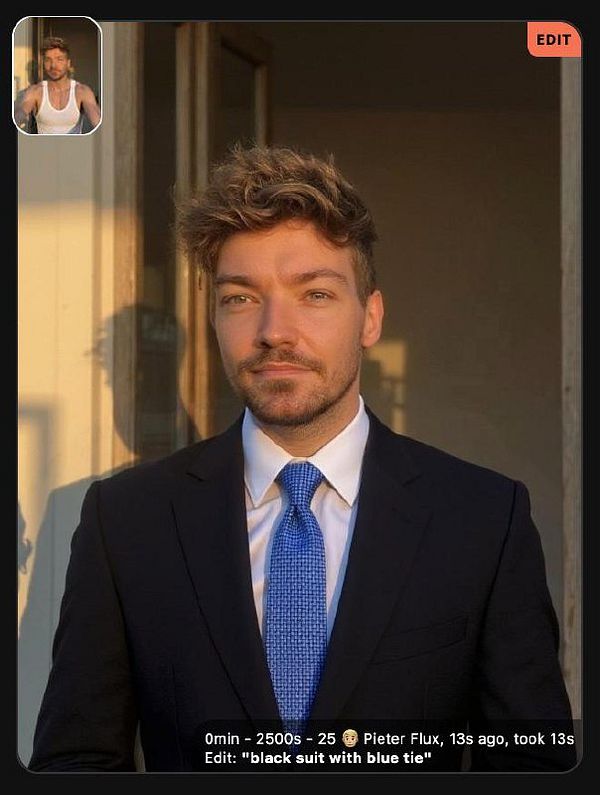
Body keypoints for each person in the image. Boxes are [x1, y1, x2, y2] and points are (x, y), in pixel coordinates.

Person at [28, 145, 575, 772]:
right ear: (214, 318)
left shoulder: (483, 519)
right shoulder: (126, 521)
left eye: (314, 294)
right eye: (240, 297)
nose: (274, 331)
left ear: (370, 318)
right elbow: (75, 761)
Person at [14, 36, 100, 134]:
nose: (53, 65)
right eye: (48, 60)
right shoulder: (35, 92)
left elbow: (97, 120)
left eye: (59, 59)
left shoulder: (82, 92)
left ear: (68, 63)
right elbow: (19, 114)